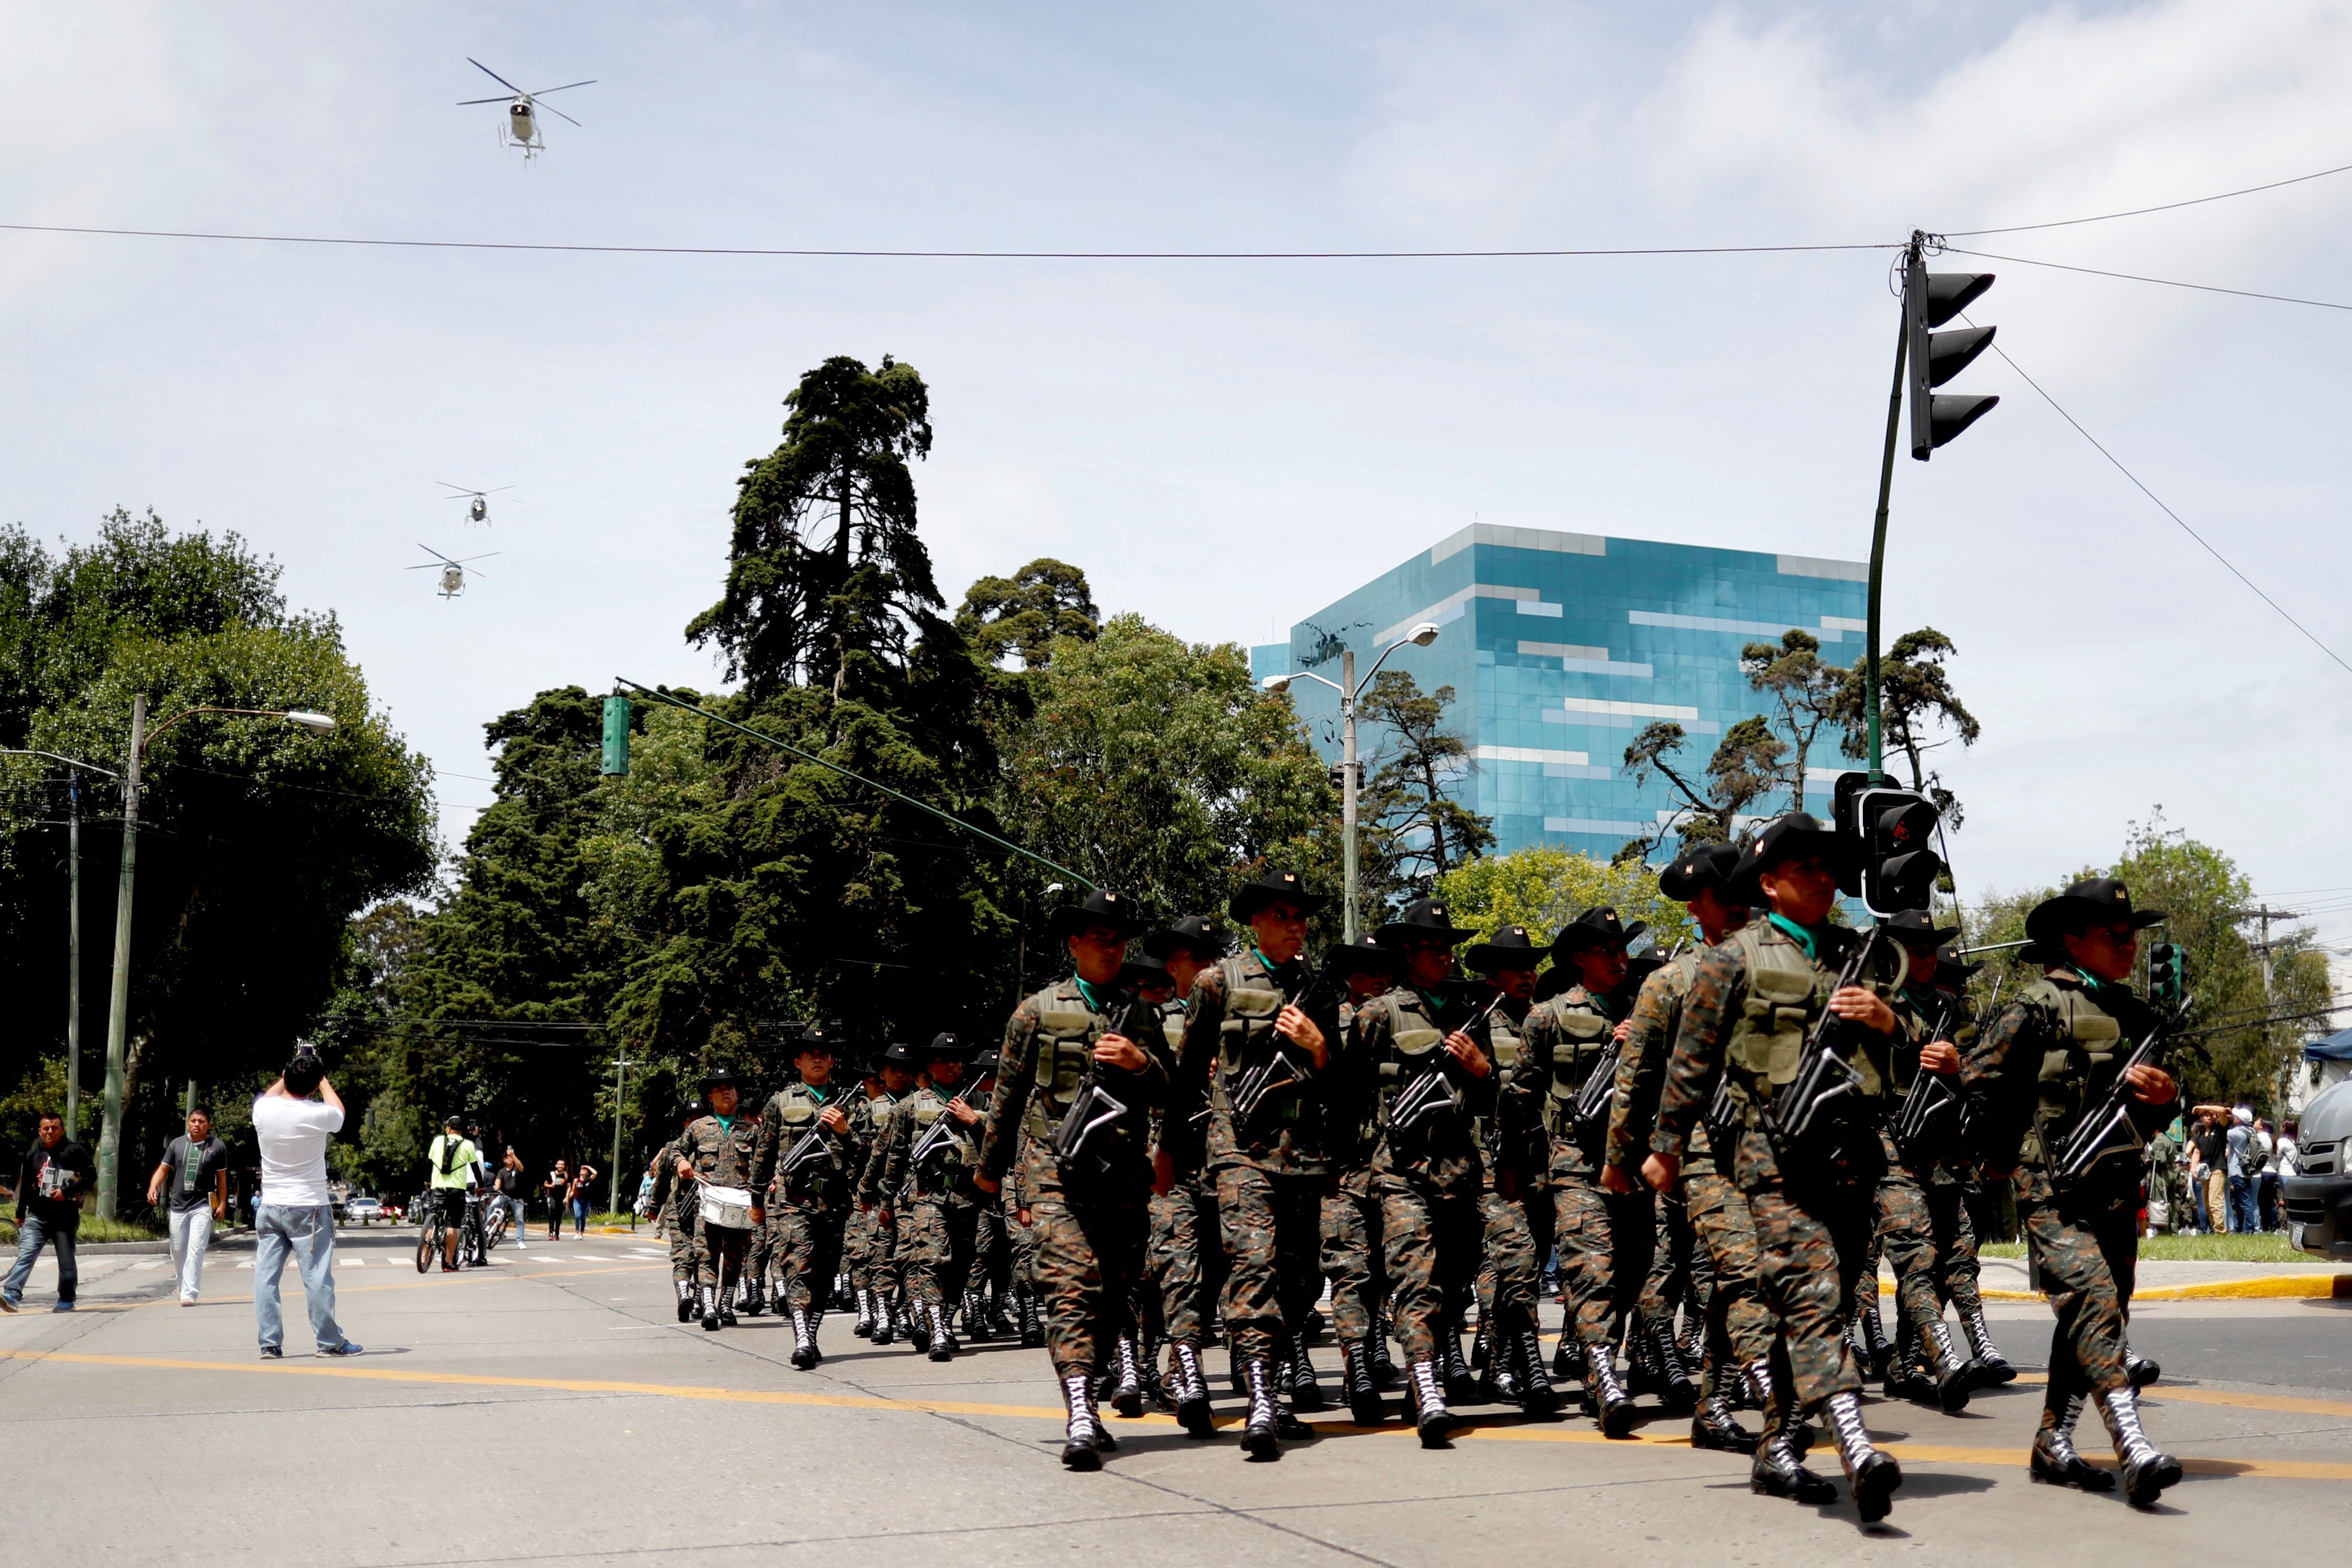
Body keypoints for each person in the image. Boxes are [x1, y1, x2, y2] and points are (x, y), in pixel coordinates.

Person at [1652, 814, 1907, 1523]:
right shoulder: (1732, 958)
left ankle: (1778, 1445)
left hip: (1852, 1160)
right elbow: (1690, 1062)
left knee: (1823, 1297)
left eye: (1830, 869)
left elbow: (1915, 1053)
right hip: (1772, 1163)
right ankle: (1857, 1448)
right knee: (1815, 1294)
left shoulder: (1860, 954)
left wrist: (1890, 1023)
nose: (1825, 880)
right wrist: (1663, 1148)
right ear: (1768, 884)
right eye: (1807, 870)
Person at [1962, 877, 2182, 1508]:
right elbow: (1978, 1079)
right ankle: (2134, 1446)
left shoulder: (2138, 1015)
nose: (2129, 945)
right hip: (2050, 1187)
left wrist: (2169, 1099)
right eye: (2114, 936)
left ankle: (2053, 1439)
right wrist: (1998, 1153)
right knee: (2093, 1299)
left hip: (2115, 1187)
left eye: (2133, 935)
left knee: (2096, 1313)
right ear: (2072, 940)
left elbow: (2166, 1107)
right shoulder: (2033, 1006)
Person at [977, 886, 1168, 1471]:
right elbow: (1006, 1095)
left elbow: (1171, 1089)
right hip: (1053, 1171)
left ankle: (1097, 1373)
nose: (1112, 949)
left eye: (1119, 939)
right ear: (1075, 944)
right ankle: (1080, 1408)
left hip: (1124, 1175)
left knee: (1116, 1291)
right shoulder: (1036, 1010)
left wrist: (1142, 1064)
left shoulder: (1142, 1012)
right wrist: (989, 1171)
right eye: (1100, 938)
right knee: (1070, 1286)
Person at [1169, 868, 1345, 1462]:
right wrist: (1174, 1149)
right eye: (1282, 917)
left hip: (1304, 1154)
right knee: (1254, 1265)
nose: (1295, 927)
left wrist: (1319, 1045)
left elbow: (1343, 1081)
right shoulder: (1218, 982)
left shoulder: (1320, 988)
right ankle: (1263, 1394)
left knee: (1298, 1282)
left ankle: (1275, 1371)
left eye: (1300, 917)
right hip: (1238, 1149)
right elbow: (1190, 1071)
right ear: (1255, 922)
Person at [1610, 842, 1775, 1456]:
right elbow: (1636, 1075)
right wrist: (1619, 1159)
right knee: (1742, 1267)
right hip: (1702, 1151)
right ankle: (1770, 1384)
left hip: (1773, 1152)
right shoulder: (1670, 981)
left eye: (1743, 893)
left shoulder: (1781, 970)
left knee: (1727, 1284)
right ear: (1696, 906)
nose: (1736, 903)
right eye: (1720, 894)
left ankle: (1713, 1406)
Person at [1349, 897, 1495, 1447]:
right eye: (1433, 948)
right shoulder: (1379, 1013)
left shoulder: (1470, 1012)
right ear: (1407, 953)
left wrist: (1481, 1071)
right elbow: (1348, 1094)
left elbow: (1495, 1099)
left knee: (1454, 1284)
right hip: (1401, 1170)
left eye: (1448, 947)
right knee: (1415, 1277)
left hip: (1461, 1170)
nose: (1445, 956)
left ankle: (1423, 1377)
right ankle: (1427, 1384)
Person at [1528, 903, 1661, 1438]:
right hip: (1577, 1165)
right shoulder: (1550, 1014)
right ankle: (1606, 1377)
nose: (1618, 958)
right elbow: (1520, 1094)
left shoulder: (1650, 1009)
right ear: (1579, 957)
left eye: (1622, 948)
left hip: (1634, 1166)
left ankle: (1593, 1361)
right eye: (1606, 950)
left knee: (1632, 1271)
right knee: (1591, 1271)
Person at [860, 1033, 986, 1364]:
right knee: (930, 1261)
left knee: (960, 1264)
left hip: (967, 1195)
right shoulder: (909, 1107)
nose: (951, 1065)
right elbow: (894, 1156)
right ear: (930, 1067)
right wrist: (885, 1200)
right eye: (943, 1059)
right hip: (925, 1196)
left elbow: (1004, 1149)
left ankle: (944, 1321)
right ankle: (937, 1330)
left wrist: (975, 1122)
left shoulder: (983, 1103)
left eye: (956, 1059)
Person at [750, 1022, 860, 1368]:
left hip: (834, 1200)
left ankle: (811, 1333)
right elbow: (764, 1155)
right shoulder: (779, 1103)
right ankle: (801, 1339)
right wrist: (756, 1201)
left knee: (825, 1275)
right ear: (798, 1062)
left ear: (831, 1061)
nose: (817, 1059)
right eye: (810, 1054)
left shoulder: (851, 1104)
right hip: (792, 1201)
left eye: (823, 1054)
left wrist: (846, 1131)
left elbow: (869, 1155)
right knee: (797, 1266)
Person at [251, 1049, 361, 1357]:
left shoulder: (263, 1111)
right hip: (309, 1207)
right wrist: (322, 1079)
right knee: (316, 1277)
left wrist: (291, 1070)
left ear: (286, 1077)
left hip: (271, 1205)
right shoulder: (318, 1114)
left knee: (266, 1277)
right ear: (314, 1086)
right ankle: (330, 1342)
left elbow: (270, 1095)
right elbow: (339, 1112)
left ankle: (270, 1343)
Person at [677, 1068, 760, 1330]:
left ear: (737, 1094)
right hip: (707, 1202)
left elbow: (767, 1161)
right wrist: (681, 1162)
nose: (726, 1091)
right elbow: (676, 1150)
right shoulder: (699, 1128)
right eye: (719, 1088)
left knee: (736, 1256)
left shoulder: (752, 1130)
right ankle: (709, 1305)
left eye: (730, 1087)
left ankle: (726, 1302)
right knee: (706, 1254)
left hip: (740, 1204)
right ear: (710, 1097)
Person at [5, 1111, 94, 1313]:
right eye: (46, 1128)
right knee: (26, 1254)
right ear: (40, 1131)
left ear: (62, 1129)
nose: (51, 1132)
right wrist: (20, 1213)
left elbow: (91, 1175)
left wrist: (66, 1191)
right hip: (37, 1216)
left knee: (66, 1260)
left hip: (65, 1217)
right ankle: (12, 1294)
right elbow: (27, 1186)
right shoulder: (33, 1154)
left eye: (55, 1127)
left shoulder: (74, 1151)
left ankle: (66, 1299)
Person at [147, 1106, 229, 1305]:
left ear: (209, 1125)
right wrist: (153, 1187)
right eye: (193, 1121)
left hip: (203, 1206)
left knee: (196, 1249)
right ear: (188, 1123)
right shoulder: (177, 1144)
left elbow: (222, 1179)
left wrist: (223, 1204)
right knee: (177, 1251)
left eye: (201, 1122)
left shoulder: (217, 1146)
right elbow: (164, 1169)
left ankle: (189, 1293)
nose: (197, 1125)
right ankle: (182, 1284)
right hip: (178, 1206)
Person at [646, 1104, 707, 1320]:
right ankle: (684, 1295)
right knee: (683, 1255)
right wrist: (653, 1208)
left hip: (706, 1209)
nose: (694, 1123)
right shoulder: (672, 1148)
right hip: (679, 1208)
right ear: (684, 1123)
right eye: (690, 1119)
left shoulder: (711, 1147)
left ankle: (700, 1300)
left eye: (699, 1119)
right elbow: (661, 1180)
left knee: (704, 1255)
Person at [424, 1116, 480, 1273]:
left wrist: (428, 1181)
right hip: (457, 1190)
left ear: (448, 1128)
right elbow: (475, 1168)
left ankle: (424, 1257)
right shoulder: (468, 1144)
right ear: (462, 1130)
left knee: (432, 1217)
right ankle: (448, 1263)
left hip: (438, 1187)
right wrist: (480, 1186)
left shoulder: (437, 1141)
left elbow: (429, 1162)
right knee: (452, 1226)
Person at [496, 1149, 529, 1250]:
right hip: (504, 1196)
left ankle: (520, 1241)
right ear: (504, 1160)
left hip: (517, 1198)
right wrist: (497, 1186)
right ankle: (488, 1228)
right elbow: (498, 1181)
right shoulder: (502, 1171)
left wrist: (513, 1155)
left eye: (510, 1157)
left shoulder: (516, 1169)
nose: (509, 1158)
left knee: (519, 1220)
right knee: (493, 1205)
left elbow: (521, 1167)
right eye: (507, 1157)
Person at [568, 1159, 599, 1236]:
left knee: (583, 1217)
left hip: (586, 1201)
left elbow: (595, 1173)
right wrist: (567, 1198)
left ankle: (582, 1233)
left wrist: (587, 1166)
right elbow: (572, 1191)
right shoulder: (576, 1180)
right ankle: (577, 1233)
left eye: (585, 1170)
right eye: (582, 1169)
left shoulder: (589, 1180)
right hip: (577, 1200)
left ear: (587, 1173)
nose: (583, 1171)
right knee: (577, 1216)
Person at [543, 1160, 569, 1240]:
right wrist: (551, 1185)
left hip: (561, 1198)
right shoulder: (552, 1174)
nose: (561, 1166)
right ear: (556, 1165)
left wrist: (567, 1197)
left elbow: (569, 1187)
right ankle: (551, 1233)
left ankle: (557, 1234)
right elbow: (545, 1184)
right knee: (552, 1211)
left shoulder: (566, 1175)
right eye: (559, 1165)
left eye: (562, 1165)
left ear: (564, 1166)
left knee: (559, 1216)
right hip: (552, 1197)